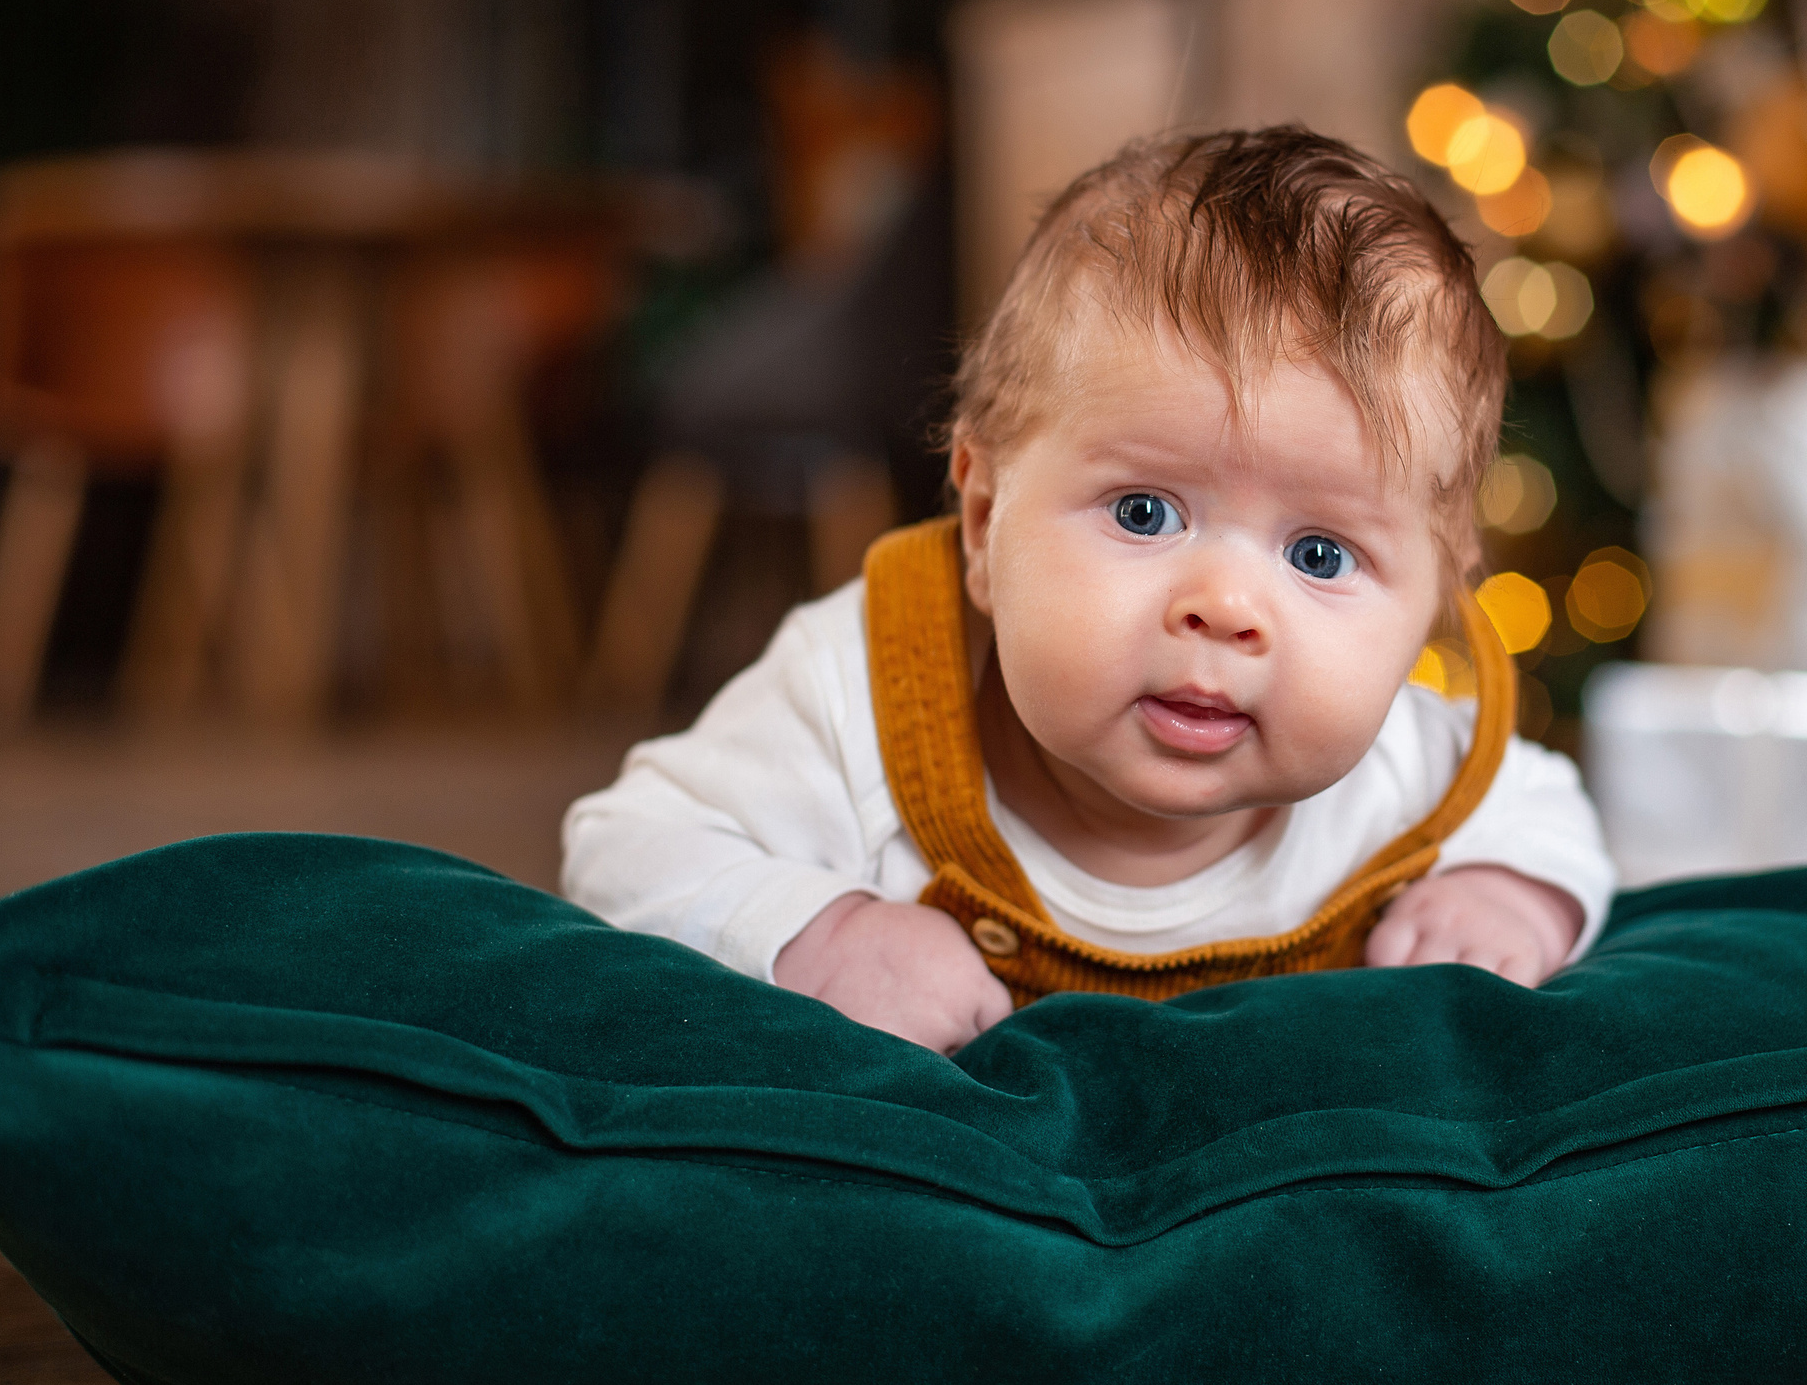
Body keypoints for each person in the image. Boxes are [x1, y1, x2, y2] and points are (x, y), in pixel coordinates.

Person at [562, 127, 1615, 1054]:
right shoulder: (864, 695)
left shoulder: (1407, 775)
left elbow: (1546, 813)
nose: (1224, 608)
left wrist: (1508, 899)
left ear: (1435, 599)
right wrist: (817, 931)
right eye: (1145, 513)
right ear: (982, 523)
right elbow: (625, 848)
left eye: (1320, 556)